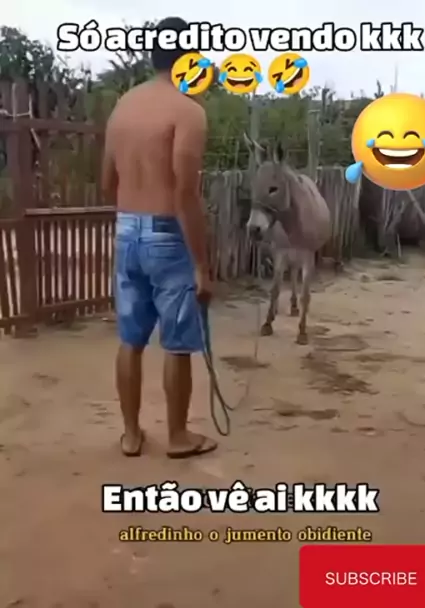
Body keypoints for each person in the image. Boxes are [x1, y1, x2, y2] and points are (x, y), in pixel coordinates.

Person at [101, 16, 217, 459]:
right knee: (178, 342)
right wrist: (202, 266)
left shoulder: (123, 107)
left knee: (130, 339)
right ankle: (178, 436)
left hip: (126, 229)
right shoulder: (188, 111)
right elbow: (185, 193)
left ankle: (131, 435)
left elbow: (106, 182)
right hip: (168, 235)